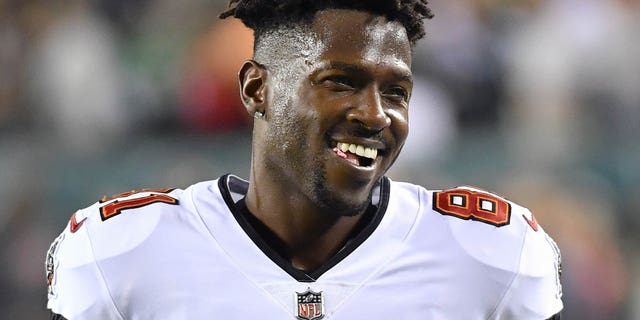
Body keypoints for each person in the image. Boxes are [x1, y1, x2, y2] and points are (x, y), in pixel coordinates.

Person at [45, 1, 564, 319]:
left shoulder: (489, 255)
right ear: (256, 88)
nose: (376, 115)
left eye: (397, 92)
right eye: (341, 82)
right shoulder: (125, 253)